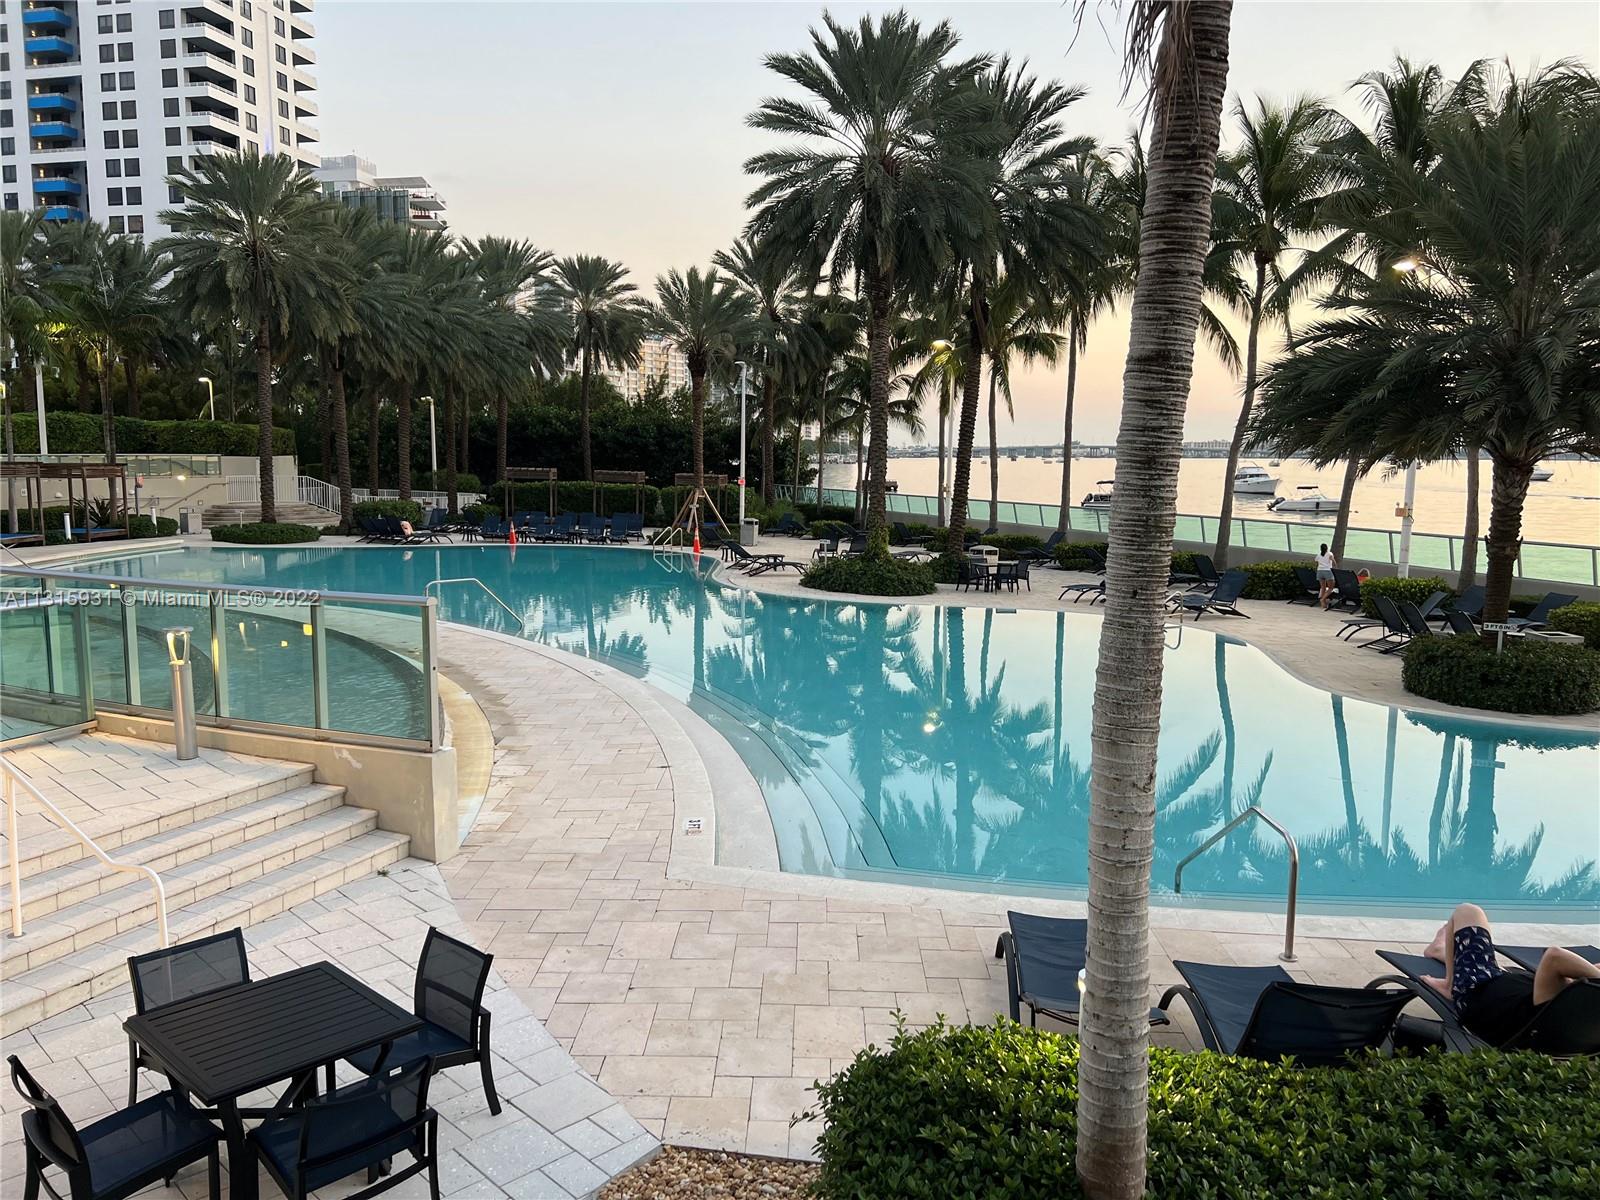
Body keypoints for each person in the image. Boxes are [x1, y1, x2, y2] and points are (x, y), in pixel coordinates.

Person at [1421, 902, 1599, 1046]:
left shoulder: (1551, 1008)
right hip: (1496, 979)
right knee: (1470, 917)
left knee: (1467, 911)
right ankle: (1440, 952)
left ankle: (1449, 984)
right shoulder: (1580, 1006)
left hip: (1475, 990)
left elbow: (1554, 956)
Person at [1314, 543, 1337, 609]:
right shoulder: (1330, 554)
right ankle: (1323, 599)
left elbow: (1316, 562)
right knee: (1330, 588)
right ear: (1327, 548)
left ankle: (1323, 603)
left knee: (1323, 588)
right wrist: (1335, 564)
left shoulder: (1318, 555)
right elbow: (1334, 562)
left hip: (1319, 571)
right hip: (1327, 571)